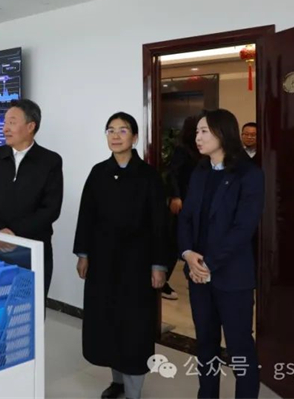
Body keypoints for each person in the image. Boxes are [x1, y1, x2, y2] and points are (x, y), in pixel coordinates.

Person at [73, 112, 168, 399]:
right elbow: (86, 216)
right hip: (103, 262)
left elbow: (160, 224)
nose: (115, 136)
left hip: (137, 265)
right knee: (107, 322)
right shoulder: (98, 172)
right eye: (111, 130)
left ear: (135, 137)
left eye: (123, 130)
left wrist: (159, 264)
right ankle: (117, 382)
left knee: (134, 327)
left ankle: (133, 391)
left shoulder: (149, 176)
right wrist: (83, 254)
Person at [178, 109, 264, 399]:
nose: (198, 137)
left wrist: (207, 263)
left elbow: (243, 228)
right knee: (206, 343)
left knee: (240, 346)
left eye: (204, 131)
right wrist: (188, 254)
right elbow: (186, 217)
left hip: (232, 276)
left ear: (222, 133)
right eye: (197, 131)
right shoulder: (200, 171)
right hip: (198, 275)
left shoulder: (249, 174)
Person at [0, 99, 63, 298]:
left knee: (31, 306)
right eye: (5, 123)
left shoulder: (50, 161)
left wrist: (14, 235)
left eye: (12, 122)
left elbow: (51, 209)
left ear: (31, 127)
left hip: (33, 249)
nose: (5, 128)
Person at [162, 115, 201, 300]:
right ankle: (162, 281)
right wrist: (176, 196)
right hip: (183, 202)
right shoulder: (182, 149)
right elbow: (172, 174)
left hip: (197, 201)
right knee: (173, 243)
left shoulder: (203, 149)